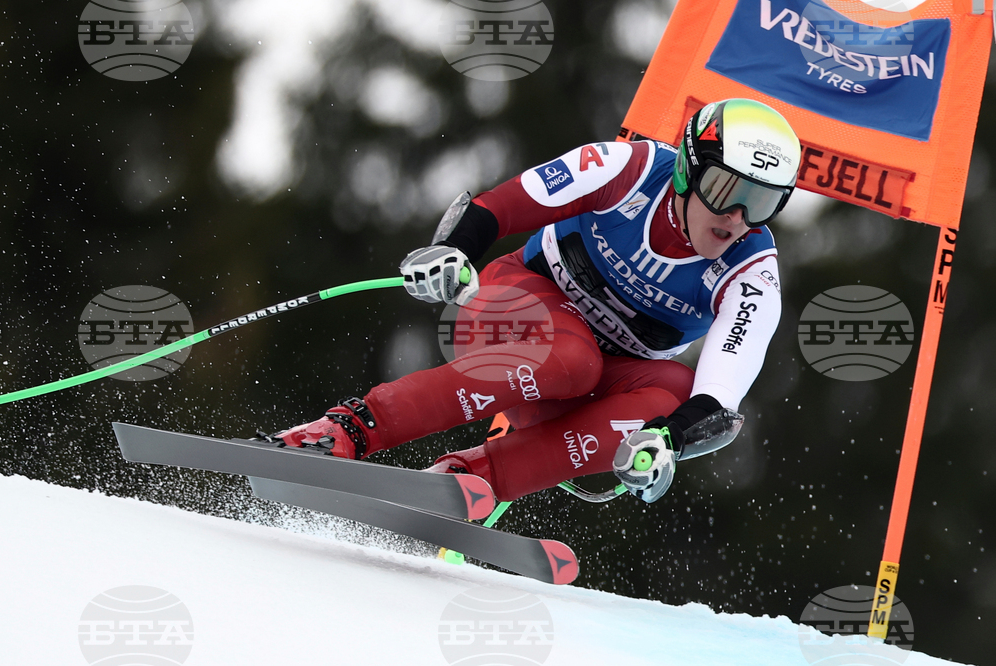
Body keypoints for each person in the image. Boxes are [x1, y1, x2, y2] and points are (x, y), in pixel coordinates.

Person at [271, 98, 801, 504]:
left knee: (672, 395)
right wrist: (452, 253)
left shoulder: (752, 272)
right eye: (724, 187)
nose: (735, 217)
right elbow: (497, 208)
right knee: (573, 359)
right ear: (688, 168)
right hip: (512, 313)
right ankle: (348, 429)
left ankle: (472, 479)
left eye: (760, 202)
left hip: (589, 386)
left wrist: (665, 441)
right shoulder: (629, 169)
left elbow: (717, 396)